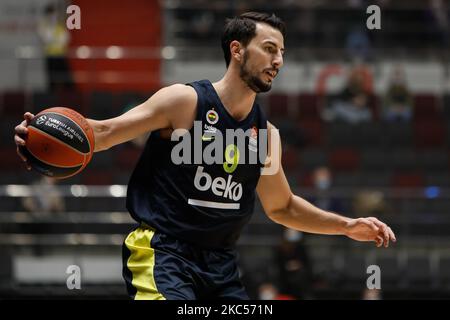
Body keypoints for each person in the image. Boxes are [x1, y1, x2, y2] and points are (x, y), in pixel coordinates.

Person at [14, 12, 396, 300]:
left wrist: (347, 225)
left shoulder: (266, 135)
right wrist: (40, 136)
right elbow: (105, 132)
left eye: (282, 52)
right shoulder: (184, 101)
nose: (278, 59)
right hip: (164, 254)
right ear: (236, 50)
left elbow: (283, 207)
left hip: (222, 267)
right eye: (269, 49)